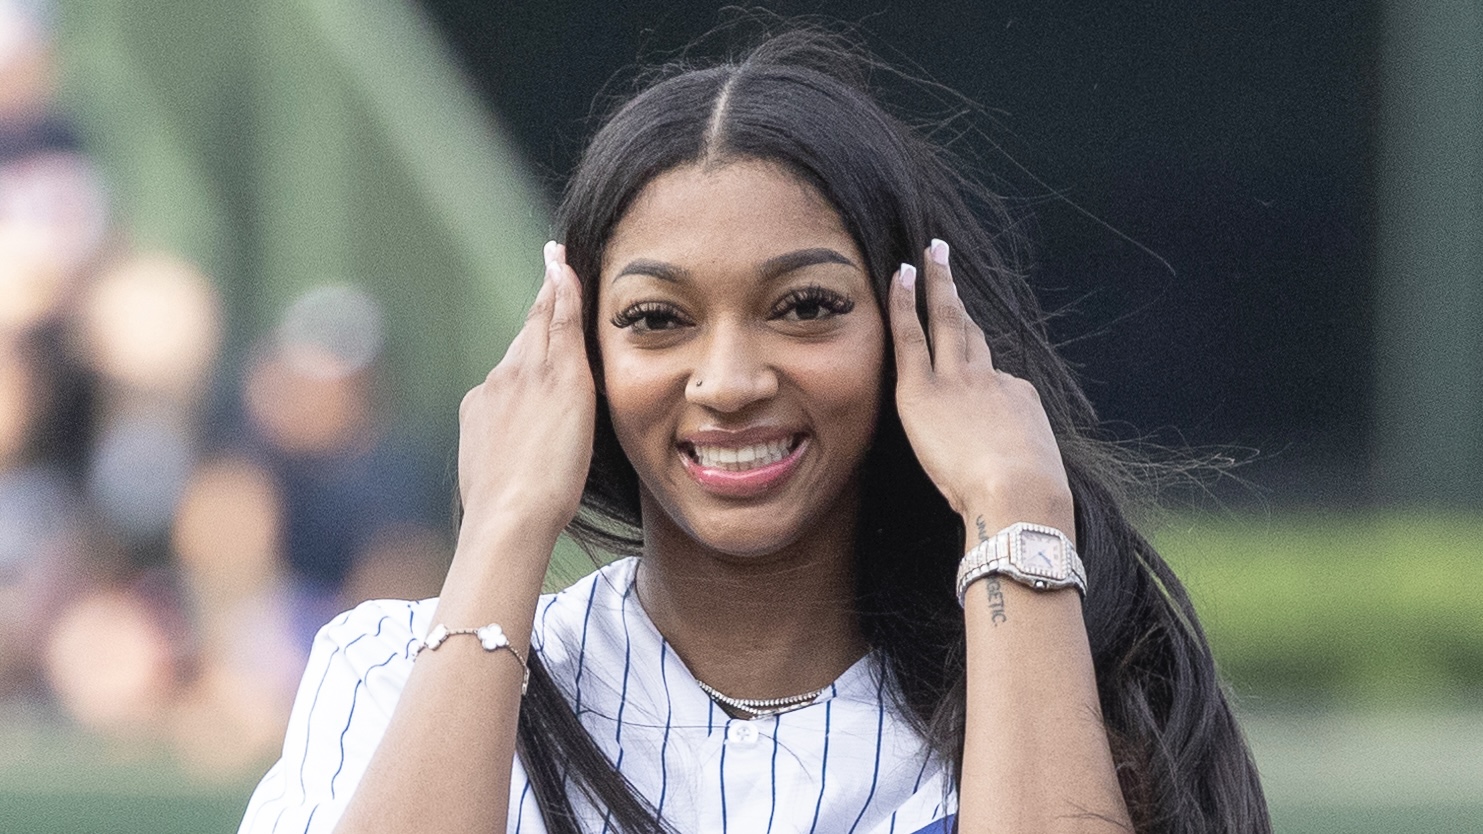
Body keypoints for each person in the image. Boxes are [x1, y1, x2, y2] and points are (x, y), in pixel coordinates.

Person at [239, 25, 1269, 834]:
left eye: (805, 306)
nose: (727, 380)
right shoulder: (387, 671)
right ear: (578, 354)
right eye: (656, 320)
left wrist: (1014, 513)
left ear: (914, 333)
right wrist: (505, 527)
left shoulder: (1056, 677)